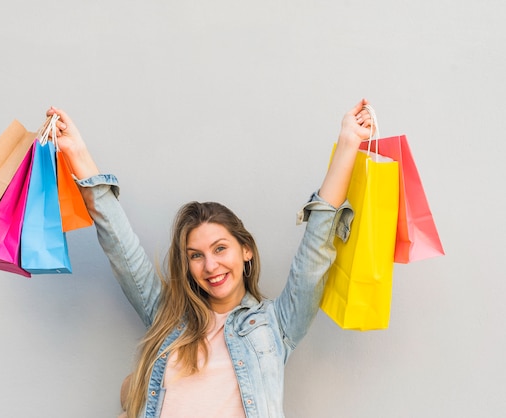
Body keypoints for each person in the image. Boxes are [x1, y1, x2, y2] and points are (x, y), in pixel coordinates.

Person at [45, 100, 374, 418]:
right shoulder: (168, 317)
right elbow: (120, 245)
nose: (211, 266)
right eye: (196, 256)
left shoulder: (276, 324)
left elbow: (314, 252)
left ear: (245, 250)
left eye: (220, 248)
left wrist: (348, 143)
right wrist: (77, 153)